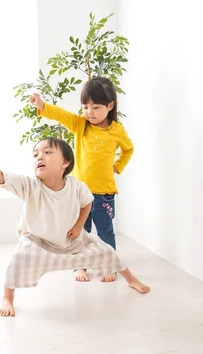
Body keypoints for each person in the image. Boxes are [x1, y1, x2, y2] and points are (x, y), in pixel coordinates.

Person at [0, 137, 150, 317]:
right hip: (38, 241)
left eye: (47, 152)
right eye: (35, 155)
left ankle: (131, 280)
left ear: (65, 162)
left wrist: (78, 226)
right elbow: (3, 177)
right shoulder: (29, 185)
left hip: (71, 239)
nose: (39, 157)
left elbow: (87, 203)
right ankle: (7, 297)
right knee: (17, 260)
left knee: (107, 251)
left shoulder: (76, 186)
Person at [29, 77, 133, 283]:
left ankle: (108, 265)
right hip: (78, 194)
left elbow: (128, 149)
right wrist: (41, 105)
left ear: (110, 105)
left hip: (104, 193)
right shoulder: (80, 125)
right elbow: (60, 115)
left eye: (95, 107)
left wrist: (117, 166)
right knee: (79, 231)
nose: (89, 112)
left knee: (105, 232)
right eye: (85, 107)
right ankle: (79, 267)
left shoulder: (117, 130)